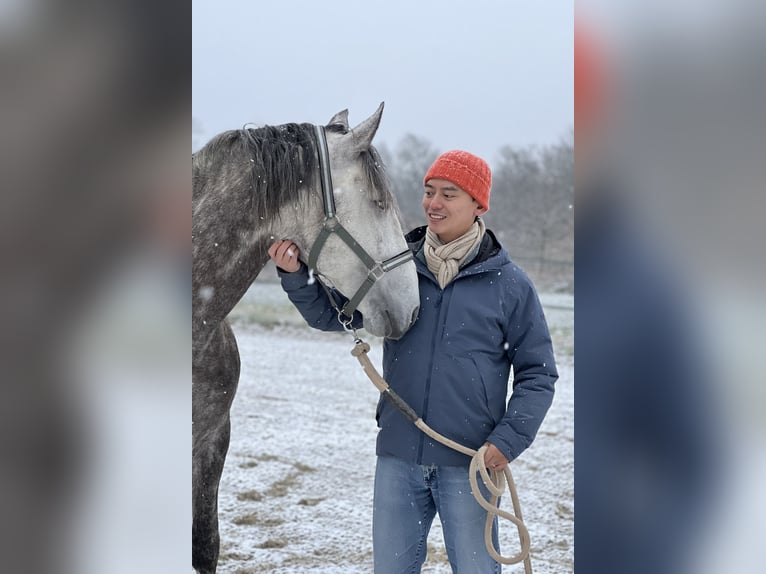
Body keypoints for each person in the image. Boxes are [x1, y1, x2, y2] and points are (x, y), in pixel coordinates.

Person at [268, 150, 558, 573]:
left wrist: (507, 442)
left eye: (448, 194)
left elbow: (539, 374)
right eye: (428, 192)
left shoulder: (509, 284)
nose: (433, 203)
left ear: (478, 204)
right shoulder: (396, 267)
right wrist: (296, 275)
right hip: (398, 458)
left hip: (470, 463)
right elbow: (334, 316)